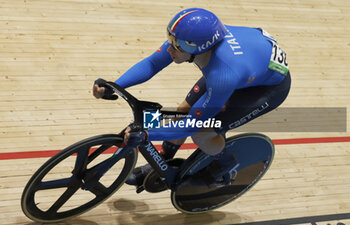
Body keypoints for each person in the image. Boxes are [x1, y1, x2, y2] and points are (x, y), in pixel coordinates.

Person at [93, 8, 291, 188]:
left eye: (176, 47)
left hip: (266, 89)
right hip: (245, 66)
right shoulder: (188, 39)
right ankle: (163, 161)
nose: (170, 49)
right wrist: (114, 86)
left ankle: (224, 165)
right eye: (170, 40)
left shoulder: (222, 75)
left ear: (199, 48)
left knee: (203, 132)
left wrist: (146, 135)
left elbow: (192, 125)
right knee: (182, 111)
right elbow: (153, 64)